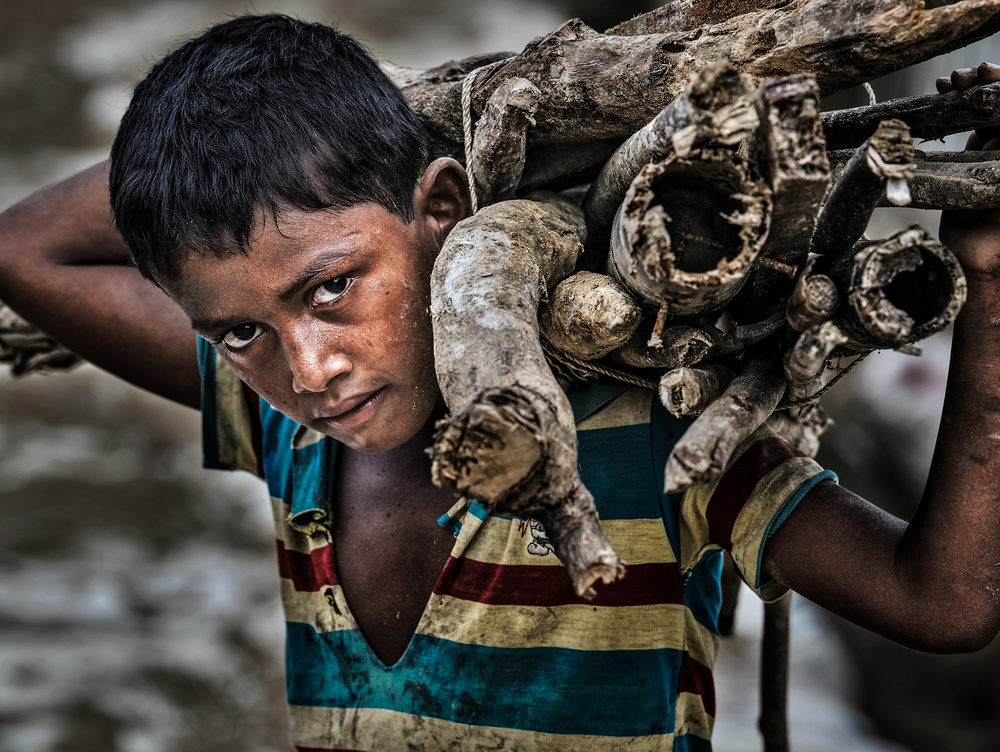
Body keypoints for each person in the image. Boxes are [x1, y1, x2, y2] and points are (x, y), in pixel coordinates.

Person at [1, 13, 999, 751]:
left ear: (439, 208)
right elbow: (25, 250)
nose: (311, 367)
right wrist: (376, 109)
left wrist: (989, 285)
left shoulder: (651, 427)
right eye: (240, 330)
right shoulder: (285, 426)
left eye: (334, 285)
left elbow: (943, 602)